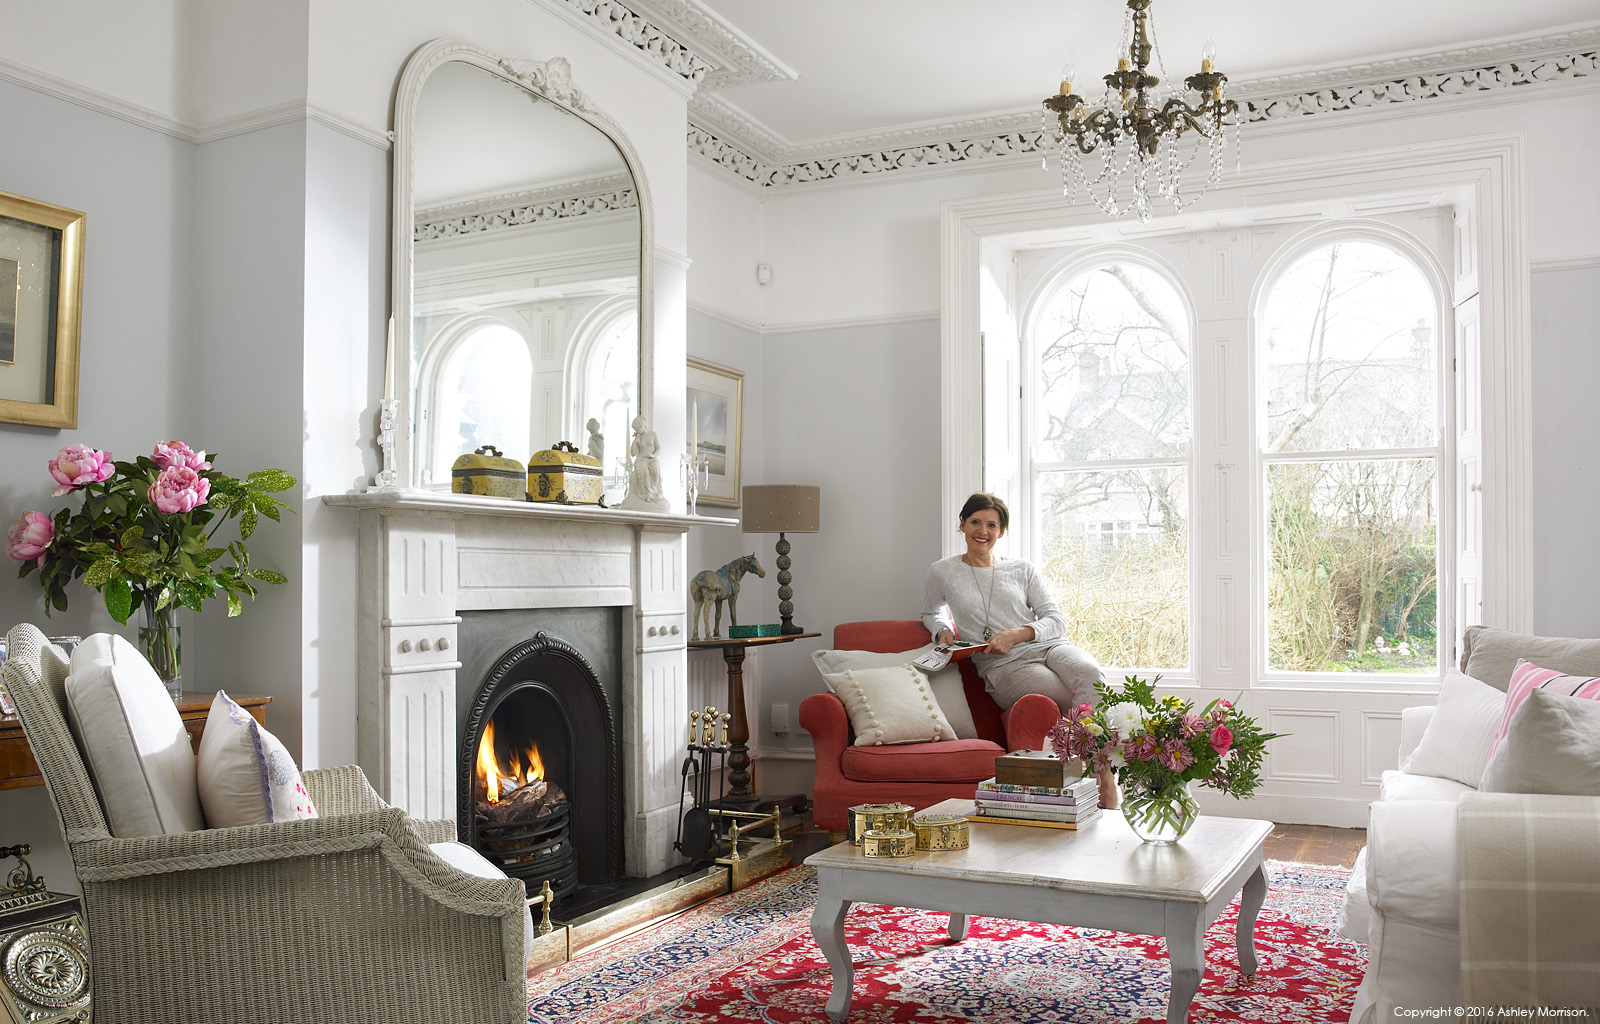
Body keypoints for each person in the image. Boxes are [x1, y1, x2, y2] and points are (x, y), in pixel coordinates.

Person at [922, 492, 1118, 808]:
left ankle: (1102, 769)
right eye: (975, 522)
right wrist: (941, 629)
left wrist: (1017, 633)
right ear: (962, 525)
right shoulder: (942, 571)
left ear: (1002, 532)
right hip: (1004, 666)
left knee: (1090, 674)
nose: (982, 531)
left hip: (1047, 646)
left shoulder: (1021, 569)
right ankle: (1095, 780)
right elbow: (930, 611)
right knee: (1067, 698)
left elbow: (1056, 619)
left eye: (991, 525)